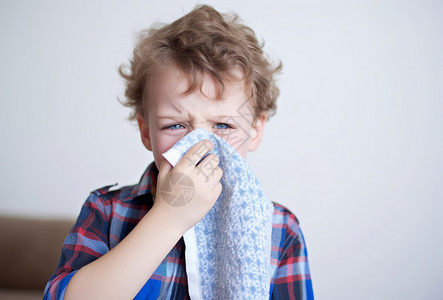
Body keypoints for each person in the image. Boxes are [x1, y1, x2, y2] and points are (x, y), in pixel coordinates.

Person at [44, 5, 313, 299]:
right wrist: (168, 217)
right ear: (147, 132)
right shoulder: (107, 211)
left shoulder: (280, 229)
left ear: (255, 130)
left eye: (223, 124)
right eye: (175, 126)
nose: (199, 146)